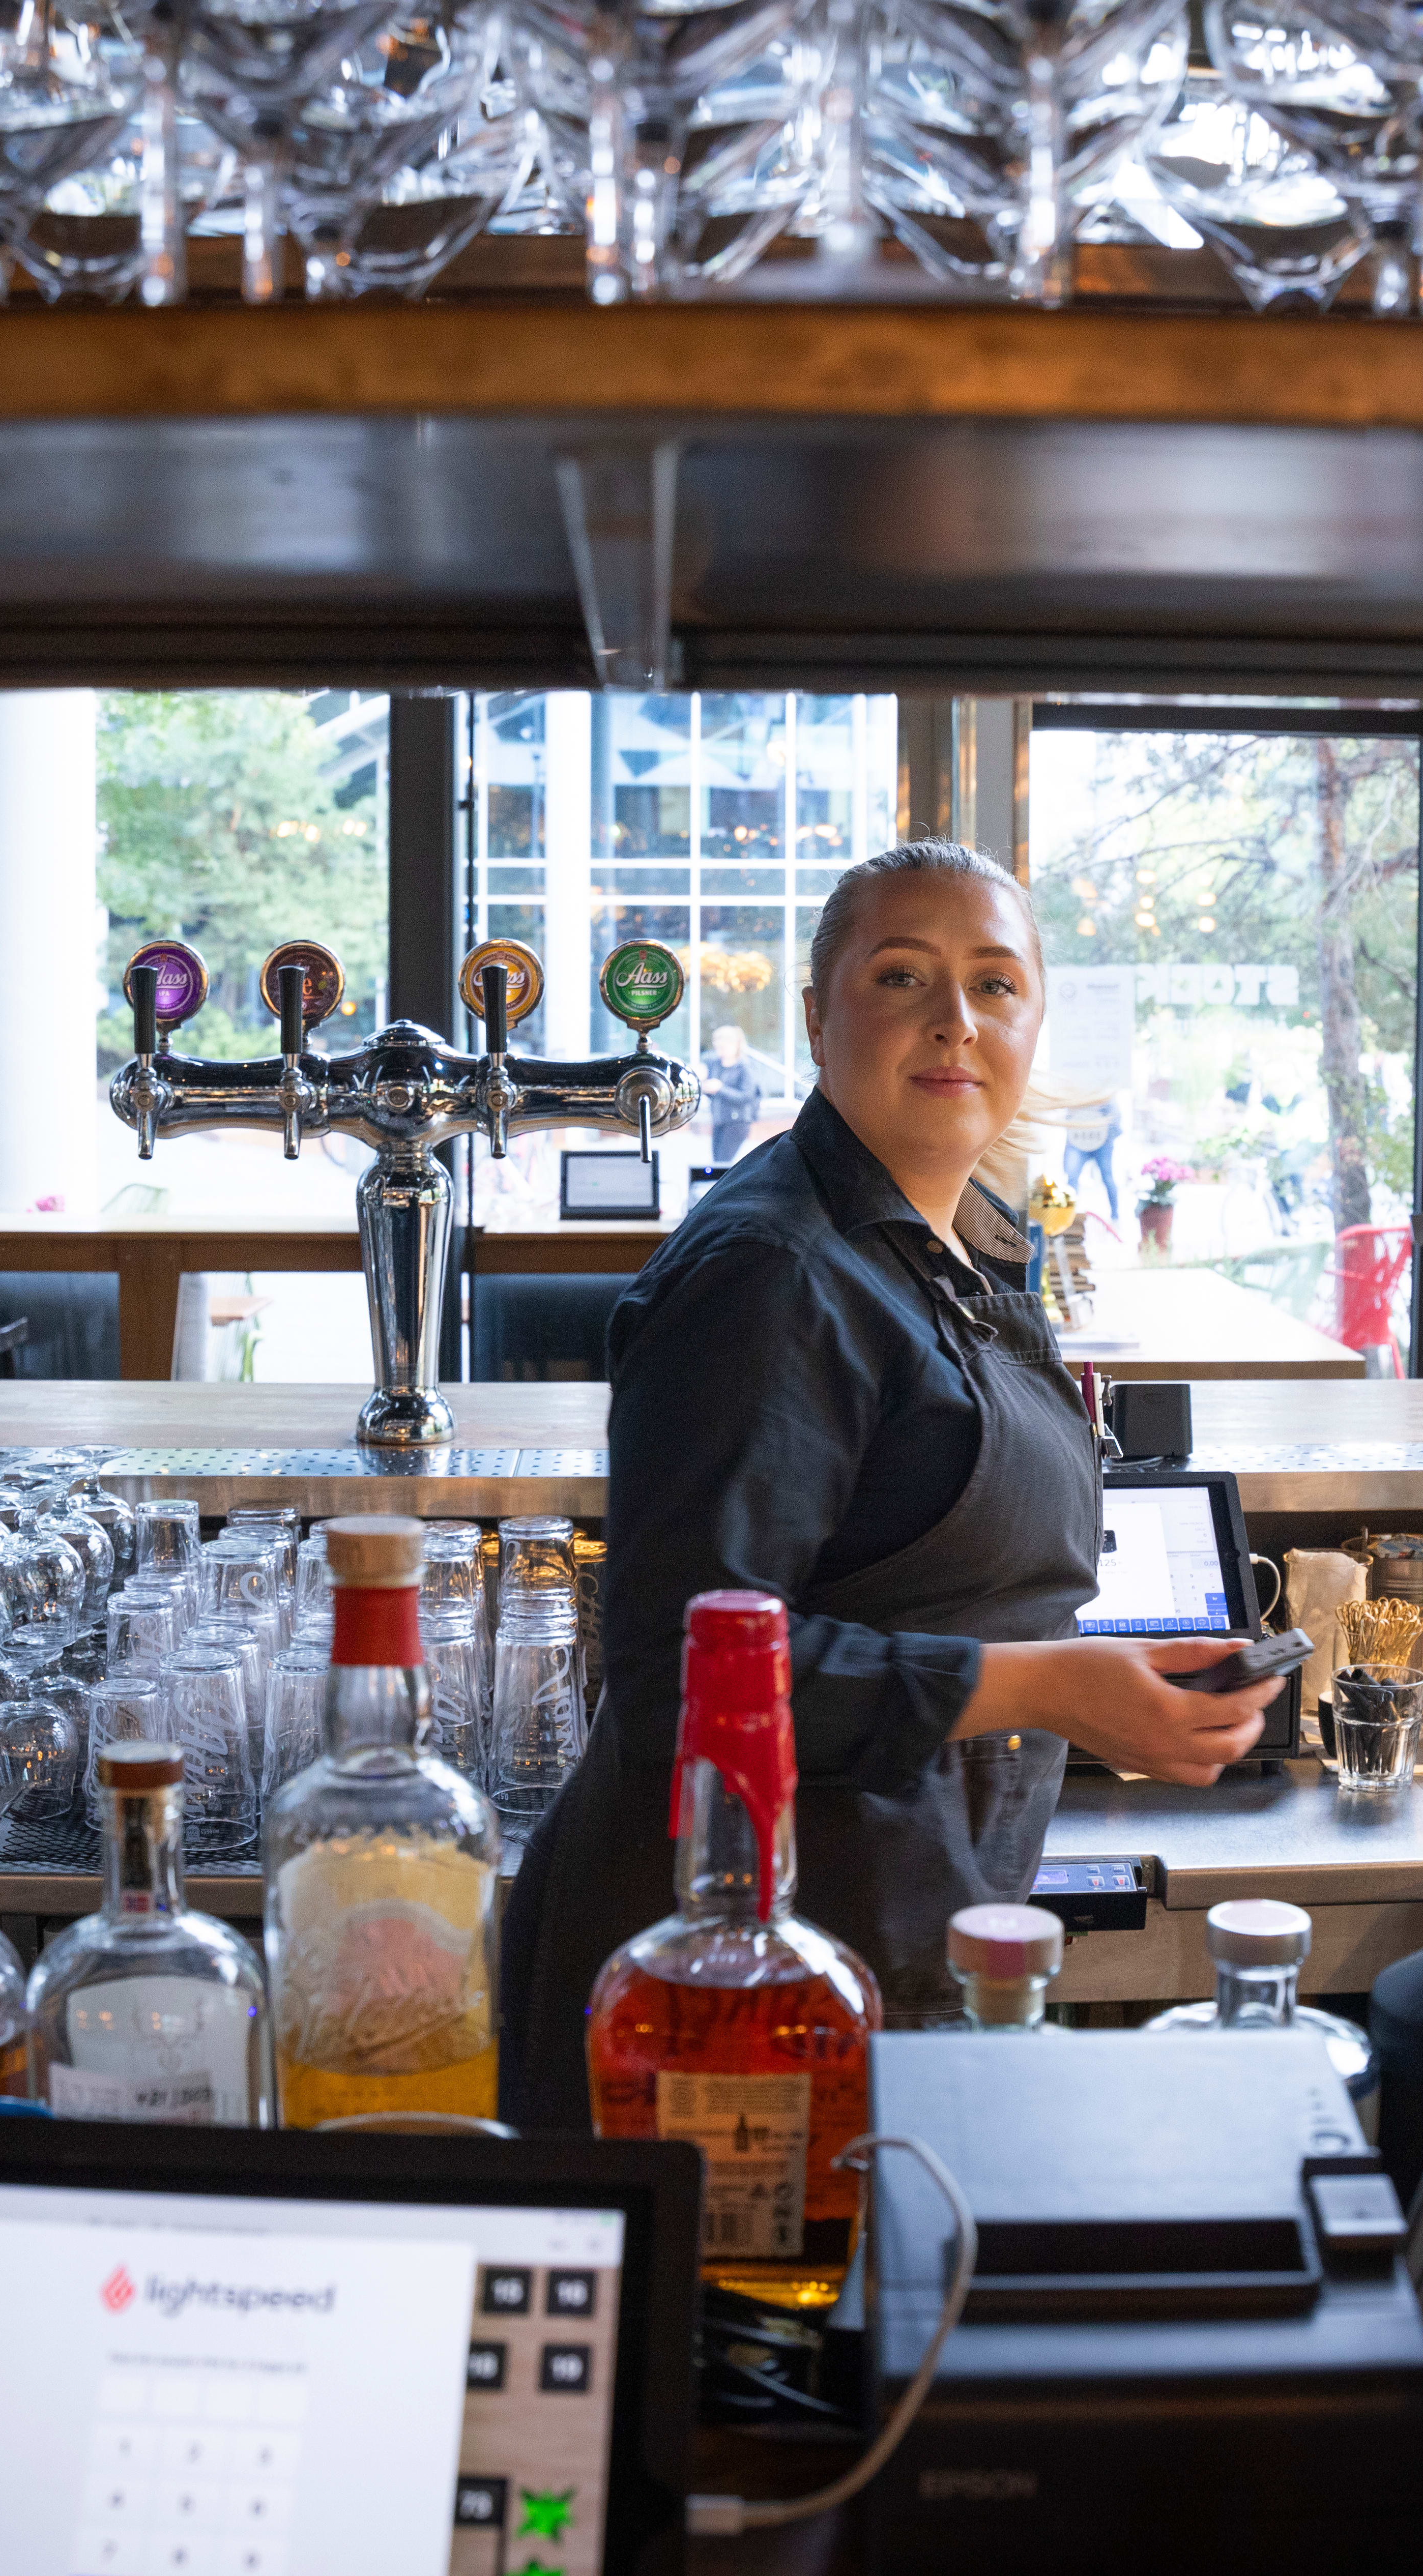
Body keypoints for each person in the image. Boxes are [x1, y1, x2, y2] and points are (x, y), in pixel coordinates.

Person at [499, 841, 1281, 2125]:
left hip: (874, 1908)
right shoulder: (772, 1273)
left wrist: (1106, 1676)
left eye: (995, 983)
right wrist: (1047, 1687)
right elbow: (678, 1672)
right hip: (724, 1972)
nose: (955, 1021)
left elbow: (929, 1568)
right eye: (903, 974)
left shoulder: (953, 1240)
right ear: (815, 1013)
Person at [702, 1020, 765, 1164]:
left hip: (738, 1121)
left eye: (723, 1047)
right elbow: (714, 1093)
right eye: (717, 1047)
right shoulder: (717, 1065)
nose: (720, 1051)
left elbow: (747, 1096)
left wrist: (720, 1089)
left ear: (734, 1045)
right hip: (719, 1119)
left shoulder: (745, 1066)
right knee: (717, 1163)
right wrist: (708, 1088)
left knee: (722, 1163)